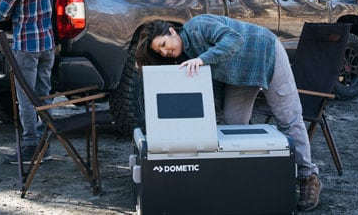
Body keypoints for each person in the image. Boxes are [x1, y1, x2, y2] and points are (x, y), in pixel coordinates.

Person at [135, 14, 322, 212]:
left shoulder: (198, 25)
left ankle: (307, 177)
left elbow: (234, 39)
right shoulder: (182, 59)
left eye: (164, 44)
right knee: (234, 124)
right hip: (241, 75)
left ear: (172, 31)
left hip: (266, 53)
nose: (165, 52)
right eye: (160, 51)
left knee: (288, 119)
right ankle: (253, 176)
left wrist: (202, 59)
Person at [0, 0, 55, 165]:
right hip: (47, 44)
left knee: (26, 97)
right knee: (44, 93)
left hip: (26, 46)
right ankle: (45, 143)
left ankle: (30, 146)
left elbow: (2, 14)